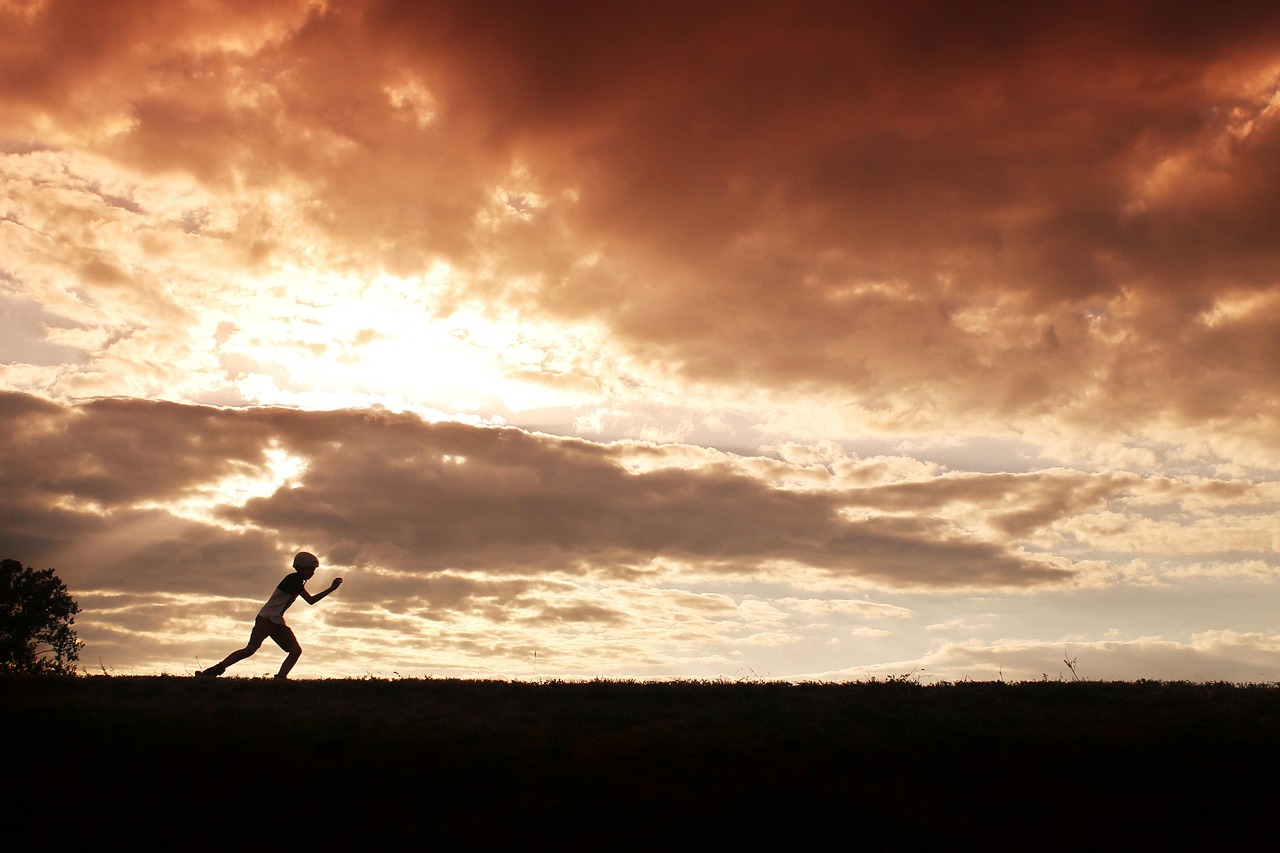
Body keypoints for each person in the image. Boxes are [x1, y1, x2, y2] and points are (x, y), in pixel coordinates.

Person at [196, 551, 343, 680]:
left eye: (314, 569)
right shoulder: (294, 579)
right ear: (300, 568)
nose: (312, 572)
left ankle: (280, 677)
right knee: (253, 649)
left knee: (289, 650)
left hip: (274, 620)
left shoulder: (296, 579)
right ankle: (214, 671)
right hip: (267, 620)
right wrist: (332, 588)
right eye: (310, 569)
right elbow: (311, 601)